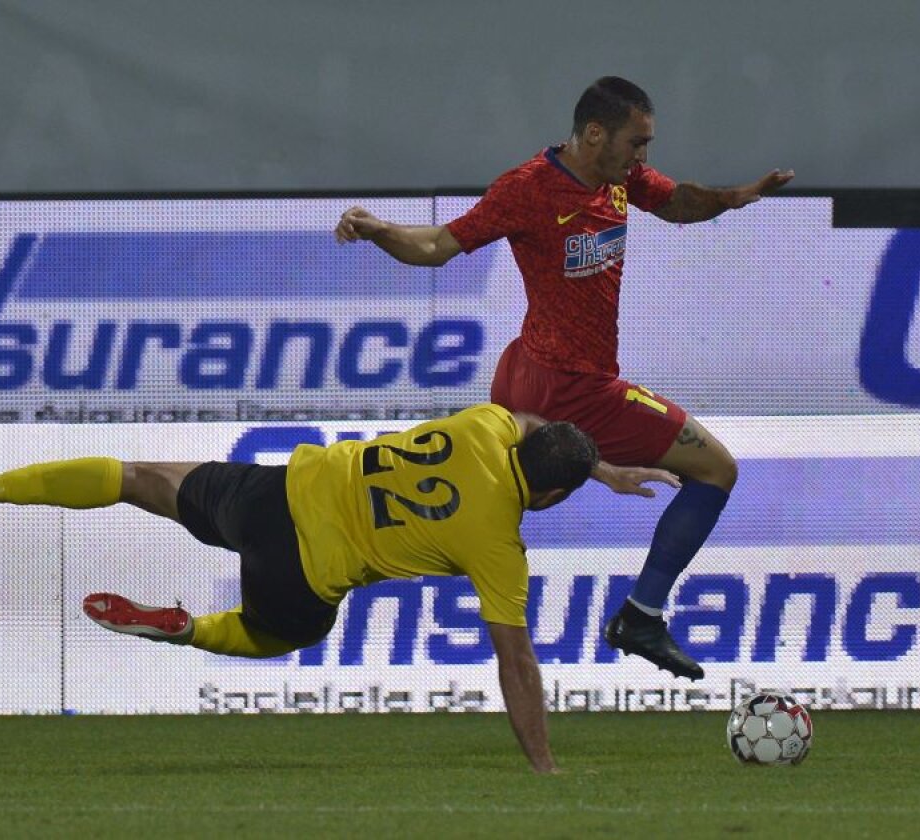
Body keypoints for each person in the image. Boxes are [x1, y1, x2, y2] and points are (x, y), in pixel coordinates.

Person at [0, 403, 678, 774]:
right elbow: (515, 662)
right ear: (550, 495)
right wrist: (542, 762)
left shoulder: (486, 424)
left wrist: (598, 466)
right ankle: (186, 630)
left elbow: (527, 417)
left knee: (137, 478)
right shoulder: (499, 547)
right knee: (278, 633)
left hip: (274, 489)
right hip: (301, 571)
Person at [335, 76, 793, 680]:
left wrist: (737, 197)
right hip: (572, 388)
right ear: (595, 133)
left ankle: (360, 554)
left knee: (498, 510)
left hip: (533, 374)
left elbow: (678, 203)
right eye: (637, 143)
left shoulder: (618, 178)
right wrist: (380, 230)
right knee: (716, 470)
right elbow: (438, 246)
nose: (643, 157)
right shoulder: (529, 189)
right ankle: (642, 616)